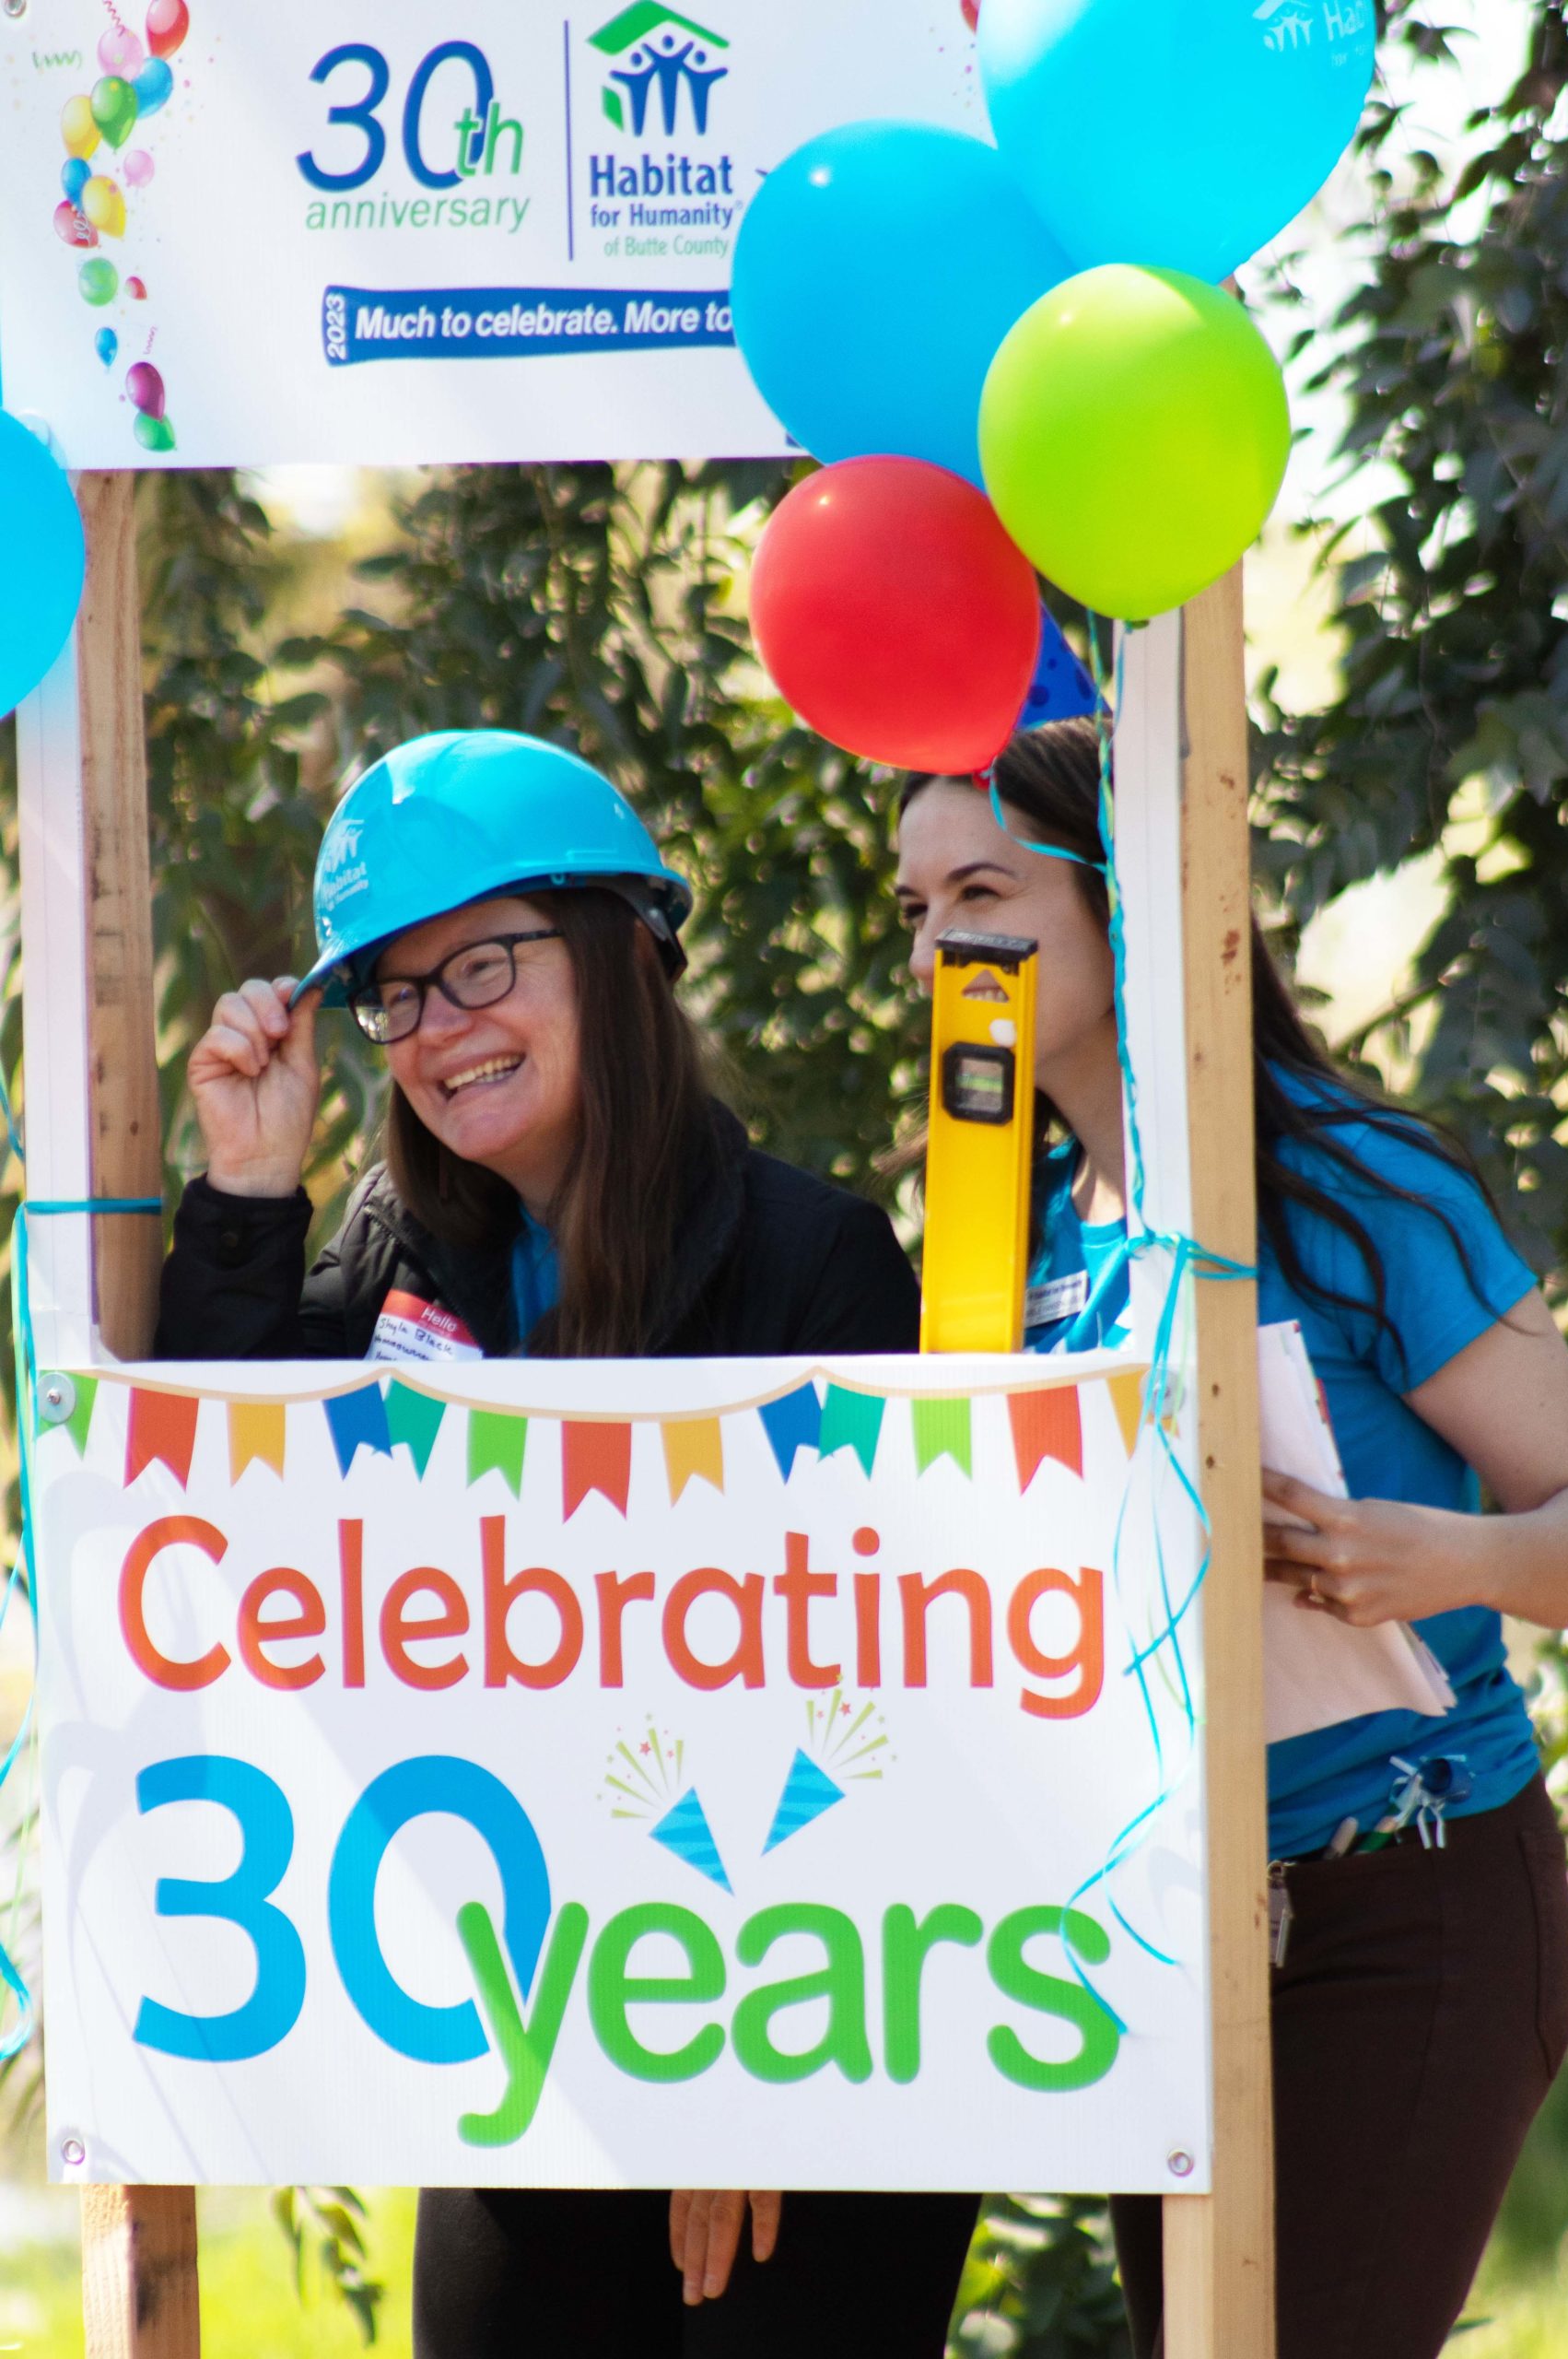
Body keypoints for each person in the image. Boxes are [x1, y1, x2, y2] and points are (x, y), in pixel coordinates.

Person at [156, 727, 979, 2359]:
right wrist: (253, 1189)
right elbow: (239, 1541)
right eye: (397, 994)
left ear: (620, 955)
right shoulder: (393, 1245)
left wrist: (749, 2078)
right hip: (524, 2022)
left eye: (479, 966)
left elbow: (881, 1696)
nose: (435, 1029)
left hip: (796, 2021)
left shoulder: (821, 1263)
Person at [893, 715, 1568, 2359]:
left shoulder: (1350, 1185)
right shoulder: (995, 1241)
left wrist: (1440, 1559)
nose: (939, 948)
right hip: (1156, 1927)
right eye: (911, 912)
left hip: (1411, 1900)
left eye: (982, 891)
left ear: (1129, 902)